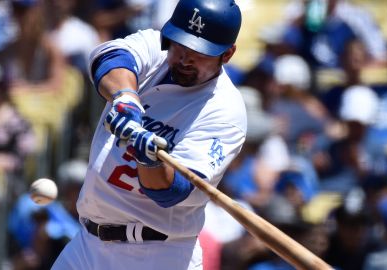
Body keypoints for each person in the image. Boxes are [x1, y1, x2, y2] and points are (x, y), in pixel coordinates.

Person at [51, 0, 246, 269]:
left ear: (227, 54)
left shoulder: (225, 111)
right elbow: (107, 58)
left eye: (199, 52)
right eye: (180, 43)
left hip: (157, 254)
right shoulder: (155, 45)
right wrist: (126, 98)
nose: (185, 57)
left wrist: (149, 160)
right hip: (87, 243)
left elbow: (172, 192)